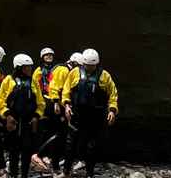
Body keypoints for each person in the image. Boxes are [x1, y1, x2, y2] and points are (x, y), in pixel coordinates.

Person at [61, 48, 117, 178]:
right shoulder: (75, 73)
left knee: (91, 146)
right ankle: (66, 172)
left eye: (92, 66)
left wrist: (112, 110)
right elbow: (66, 90)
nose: (89, 68)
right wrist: (67, 105)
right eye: (87, 65)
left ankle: (89, 174)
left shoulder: (104, 76)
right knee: (70, 144)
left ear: (96, 64)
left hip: (95, 116)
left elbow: (113, 94)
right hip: (77, 114)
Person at [0, 53, 44, 178]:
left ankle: (24, 175)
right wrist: (7, 115)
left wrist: (36, 116)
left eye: (30, 67)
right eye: (26, 67)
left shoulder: (33, 81)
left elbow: (40, 102)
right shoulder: (9, 80)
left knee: (27, 151)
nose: (29, 69)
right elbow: (0, 101)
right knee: (13, 150)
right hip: (13, 121)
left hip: (28, 122)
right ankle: (13, 174)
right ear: (18, 68)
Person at [33, 48, 64, 174]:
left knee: (53, 129)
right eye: (46, 55)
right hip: (44, 100)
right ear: (42, 57)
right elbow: (35, 85)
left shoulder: (57, 69)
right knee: (43, 129)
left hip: (54, 100)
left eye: (51, 55)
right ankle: (41, 154)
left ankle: (50, 155)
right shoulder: (38, 70)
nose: (49, 56)